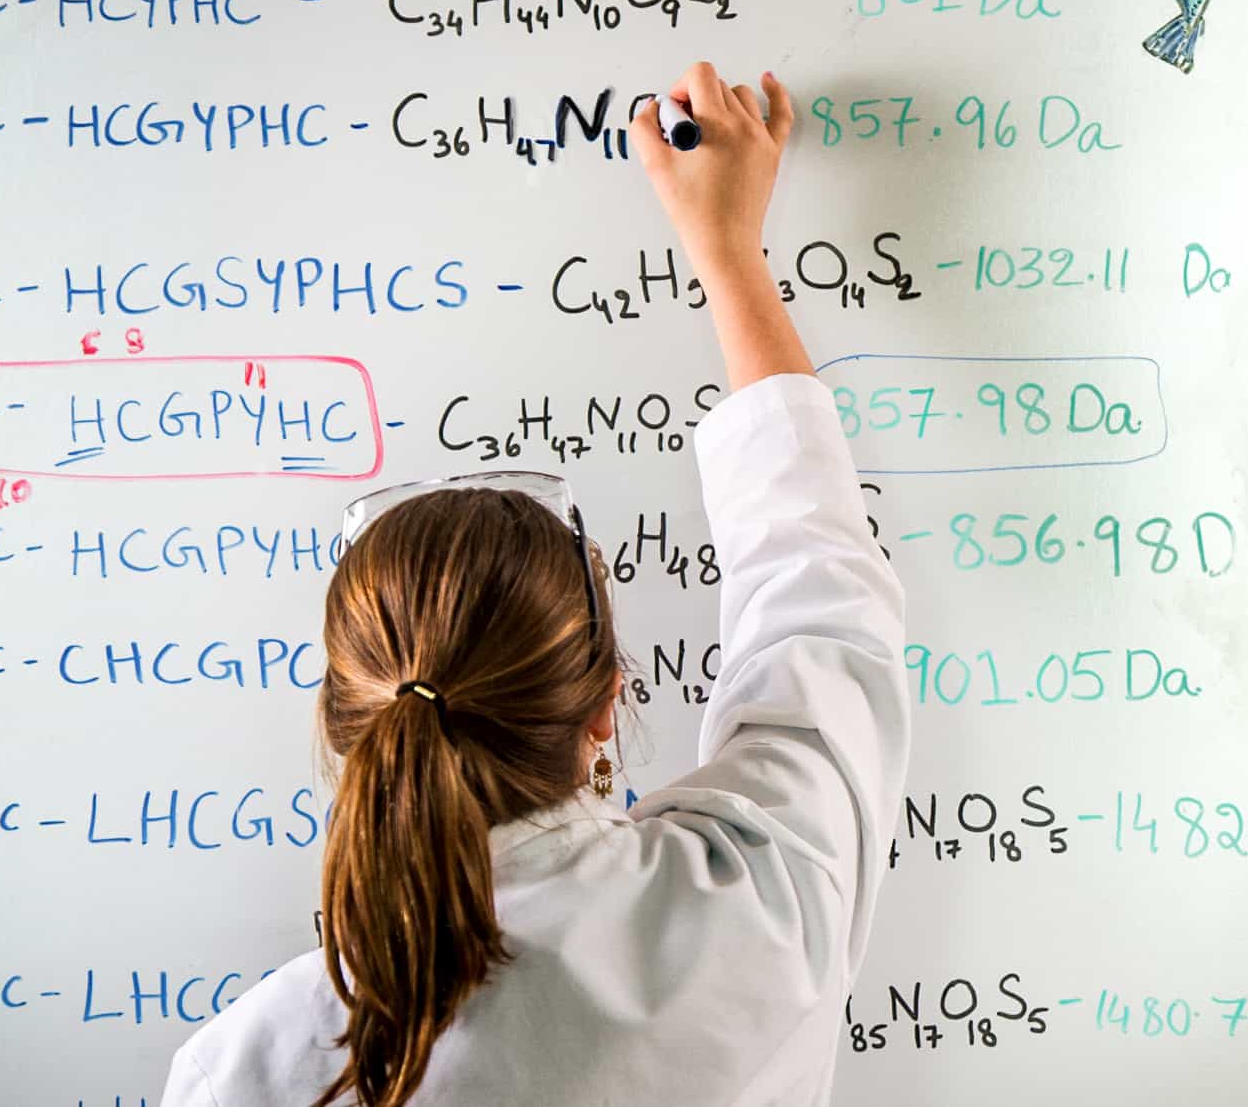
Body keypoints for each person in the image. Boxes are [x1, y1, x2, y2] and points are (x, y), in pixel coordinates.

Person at [163, 63, 910, 1106]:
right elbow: (819, 582)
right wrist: (729, 252)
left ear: (344, 727)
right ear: (610, 699)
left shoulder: (264, 1062)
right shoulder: (762, 901)